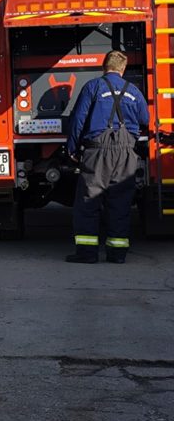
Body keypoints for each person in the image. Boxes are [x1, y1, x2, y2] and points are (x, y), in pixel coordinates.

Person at [65, 51, 149, 263]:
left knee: (88, 202)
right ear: (123, 69)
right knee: (120, 203)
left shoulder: (92, 87)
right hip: (126, 153)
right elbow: (145, 119)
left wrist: (73, 148)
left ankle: (87, 254)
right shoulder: (134, 91)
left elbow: (78, 120)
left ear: (104, 67)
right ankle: (117, 254)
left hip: (97, 152)